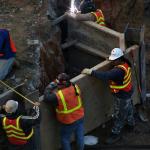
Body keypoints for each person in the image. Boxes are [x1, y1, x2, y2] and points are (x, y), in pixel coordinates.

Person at [82, 48, 135, 144]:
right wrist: (111, 60)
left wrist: (92, 72)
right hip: (128, 91)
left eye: (113, 60)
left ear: (119, 59)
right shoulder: (125, 63)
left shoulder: (118, 71)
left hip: (122, 95)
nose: (112, 62)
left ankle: (115, 133)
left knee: (119, 115)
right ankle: (131, 125)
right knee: (129, 108)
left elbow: (105, 76)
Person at [43, 73, 84, 150]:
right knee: (80, 136)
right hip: (80, 116)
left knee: (65, 139)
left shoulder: (60, 95)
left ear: (63, 84)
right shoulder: (75, 87)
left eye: (59, 84)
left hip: (68, 121)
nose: (57, 85)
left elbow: (47, 98)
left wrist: (49, 87)